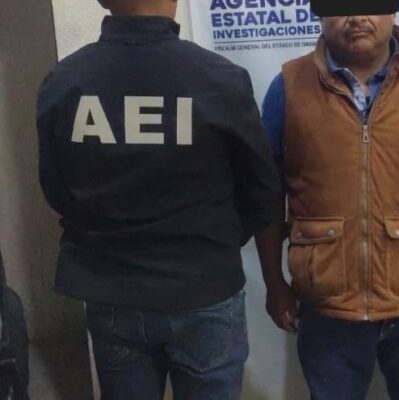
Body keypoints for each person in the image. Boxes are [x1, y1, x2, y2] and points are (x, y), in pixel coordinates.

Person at [36, 0, 279, 398]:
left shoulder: (64, 81)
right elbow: (262, 189)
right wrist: (215, 243)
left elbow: (56, 188)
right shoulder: (220, 78)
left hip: (111, 288)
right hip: (203, 284)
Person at [255, 13, 399, 400]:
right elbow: (266, 194)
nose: (357, 16)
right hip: (326, 304)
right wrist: (274, 283)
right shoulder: (289, 85)